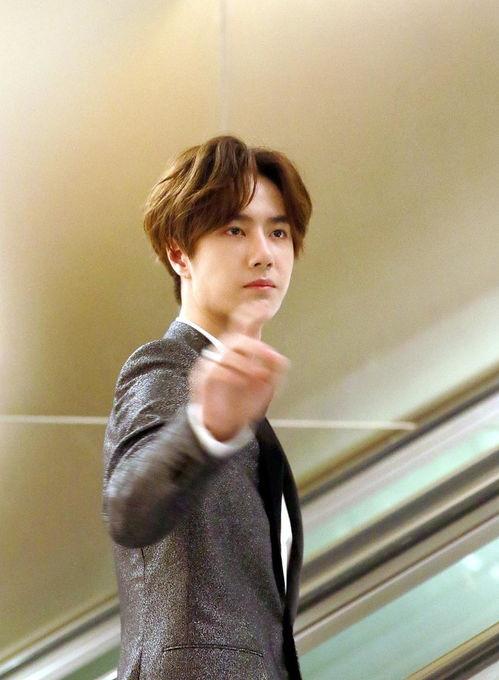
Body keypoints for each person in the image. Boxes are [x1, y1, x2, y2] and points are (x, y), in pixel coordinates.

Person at [102, 135, 312, 679]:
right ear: (179, 252)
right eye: (235, 229)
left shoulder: (241, 398)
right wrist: (203, 429)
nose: (264, 252)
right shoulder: (165, 368)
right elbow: (129, 509)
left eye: (279, 231)